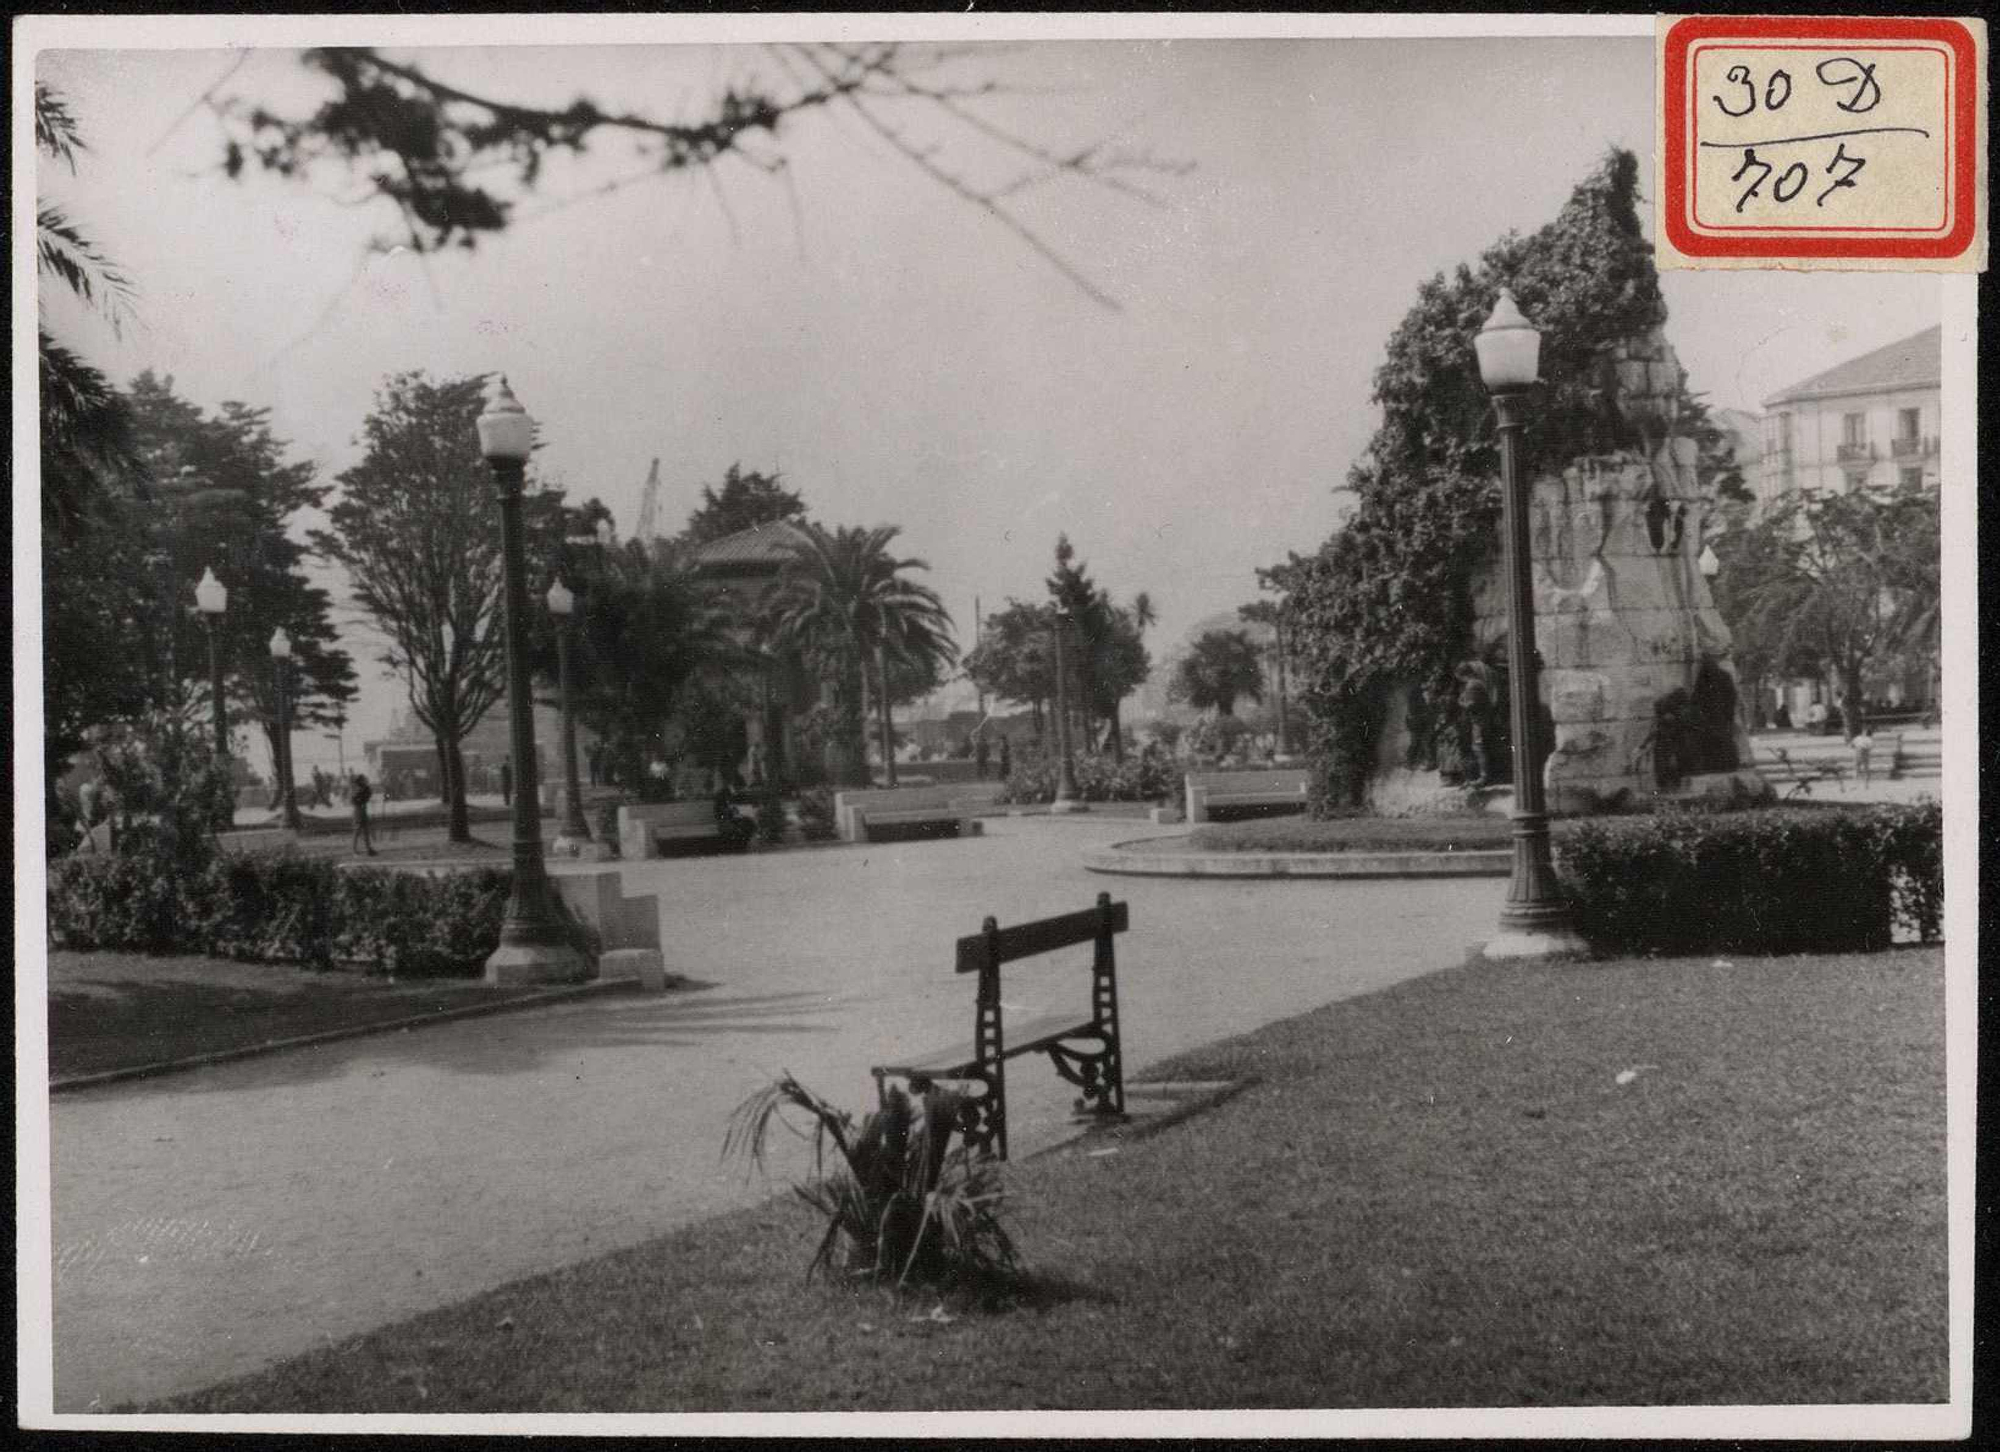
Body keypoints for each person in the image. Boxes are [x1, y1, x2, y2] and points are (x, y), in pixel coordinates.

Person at [350, 771, 378, 855]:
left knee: (366, 830)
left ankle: (368, 849)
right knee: (357, 830)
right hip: (358, 810)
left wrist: (363, 797)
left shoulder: (365, 788)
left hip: (362, 809)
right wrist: (360, 799)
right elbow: (353, 800)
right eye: (363, 780)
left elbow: (368, 796)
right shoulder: (356, 789)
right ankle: (354, 850)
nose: (365, 781)